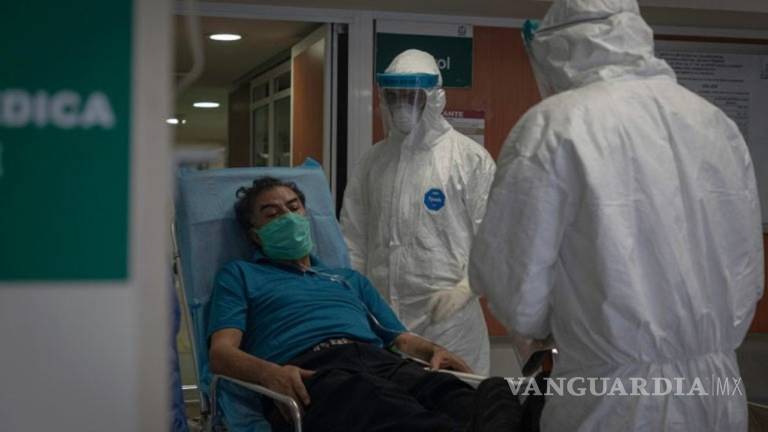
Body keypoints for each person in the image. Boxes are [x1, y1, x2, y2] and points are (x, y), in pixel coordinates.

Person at [468, 0, 764, 431]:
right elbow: (747, 274)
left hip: (612, 400)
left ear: (558, 47)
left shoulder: (554, 125)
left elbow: (515, 287)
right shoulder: (715, 123)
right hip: (717, 390)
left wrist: (554, 324)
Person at [208, 177, 523, 432]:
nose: (287, 217)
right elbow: (221, 354)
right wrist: (269, 374)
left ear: (305, 215)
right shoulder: (240, 275)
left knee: (484, 394)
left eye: (293, 207)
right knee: (379, 402)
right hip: (311, 371)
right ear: (256, 235)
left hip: (380, 362)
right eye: (272, 214)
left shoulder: (347, 279)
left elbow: (398, 338)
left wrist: (431, 351)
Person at [341, 49, 495, 375]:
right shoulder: (373, 161)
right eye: (394, 96)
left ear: (434, 98)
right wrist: (355, 300)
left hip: (450, 323)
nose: (402, 105)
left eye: (411, 96)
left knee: (456, 401)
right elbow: (353, 238)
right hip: (384, 322)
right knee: (392, 401)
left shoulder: (469, 159)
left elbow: (494, 240)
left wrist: (465, 289)